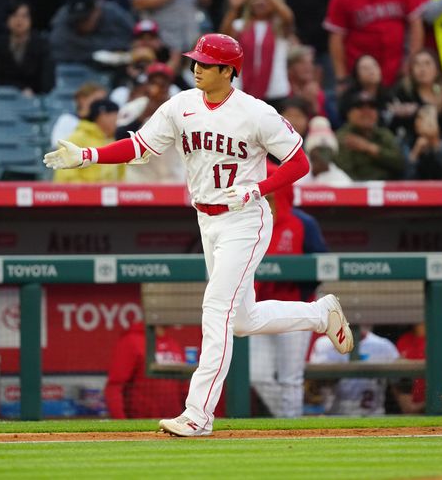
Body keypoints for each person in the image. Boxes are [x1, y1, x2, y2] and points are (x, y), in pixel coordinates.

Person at [44, 33, 354, 437]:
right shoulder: (181, 106)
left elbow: (299, 162)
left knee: (216, 310)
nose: (197, 68)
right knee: (241, 319)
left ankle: (198, 414)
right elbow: (140, 146)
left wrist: (259, 188)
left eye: (207, 64)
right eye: (196, 61)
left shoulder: (255, 112)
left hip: (246, 218)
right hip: (207, 219)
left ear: (229, 71)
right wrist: (89, 155)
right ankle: (319, 313)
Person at [249, 171, 315, 419]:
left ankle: (293, 430)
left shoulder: (302, 223)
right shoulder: (252, 222)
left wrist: (298, 295)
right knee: (257, 374)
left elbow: (321, 263)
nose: (268, 202)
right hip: (261, 311)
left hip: (293, 311)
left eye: (271, 198)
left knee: (291, 379)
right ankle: (289, 420)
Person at [324, 0, 423, 90]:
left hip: (398, 70)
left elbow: (416, 23)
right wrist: (341, 77)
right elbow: (336, 39)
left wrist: (412, 61)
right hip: (361, 76)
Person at [308, 327, 400, 416]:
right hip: (334, 415)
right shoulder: (324, 344)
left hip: (372, 416)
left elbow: (400, 387)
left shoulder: (383, 345)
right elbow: (314, 389)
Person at [104, 321, 185, 419]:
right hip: (141, 422)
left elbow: (184, 387)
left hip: (173, 423)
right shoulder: (131, 341)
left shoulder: (173, 344)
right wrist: (122, 424)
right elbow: (114, 386)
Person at [48, 0, 135, 65]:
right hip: (77, 68)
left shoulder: (114, 14)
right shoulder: (62, 19)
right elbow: (58, 50)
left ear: (96, 11)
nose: (81, 24)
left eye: (85, 19)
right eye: (78, 20)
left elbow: (135, 38)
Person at [334, 91, 406, 181]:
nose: (367, 112)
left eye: (372, 107)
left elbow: (400, 163)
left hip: (387, 188)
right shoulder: (342, 137)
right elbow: (344, 173)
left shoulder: (384, 134)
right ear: (349, 113)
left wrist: (369, 148)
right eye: (360, 107)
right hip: (355, 189)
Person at [0, 1, 54, 95]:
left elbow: (47, 81)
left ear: (31, 20)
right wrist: (20, 90)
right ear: (7, 20)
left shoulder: (42, 45)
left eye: (24, 16)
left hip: (36, 97)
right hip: (5, 97)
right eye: (14, 15)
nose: (19, 20)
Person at [53, 98, 123, 184]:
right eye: (116, 117)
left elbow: (121, 178)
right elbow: (66, 175)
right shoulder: (76, 139)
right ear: (103, 116)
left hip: (107, 196)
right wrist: (91, 191)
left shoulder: (115, 142)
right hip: (80, 195)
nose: (118, 122)